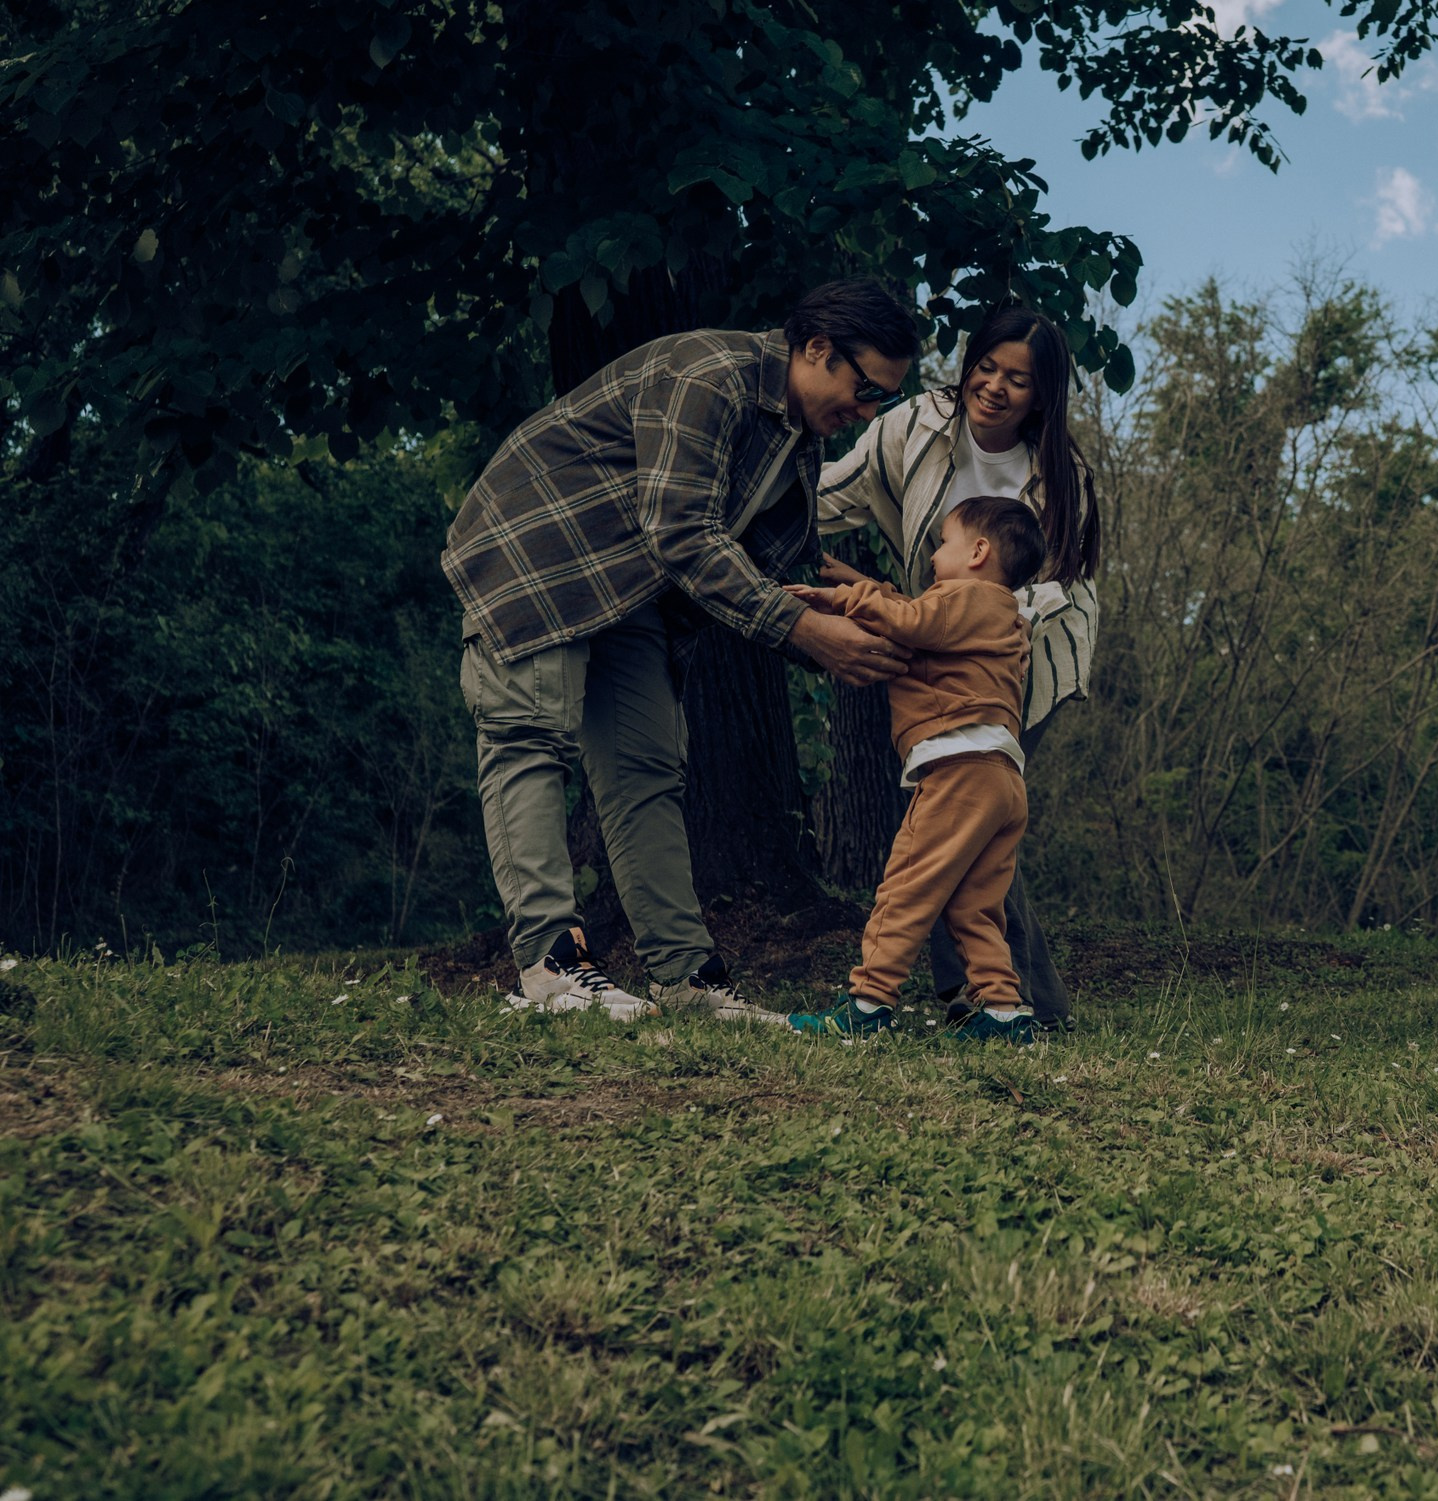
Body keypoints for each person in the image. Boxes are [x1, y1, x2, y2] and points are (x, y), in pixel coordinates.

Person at [442, 279, 921, 1021]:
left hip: (630, 584)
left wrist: (849, 623)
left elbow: (756, 578)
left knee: (646, 764)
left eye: (881, 401)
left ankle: (685, 979)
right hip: (537, 551)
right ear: (817, 348)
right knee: (529, 734)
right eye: (865, 390)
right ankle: (550, 969)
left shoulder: (792, 440)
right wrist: (806, 632)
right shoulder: (710, 376)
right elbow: (683, 532)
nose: (865, 414)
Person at [815, 306, 1100, 1030]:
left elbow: (1048, 593)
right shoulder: (916, 424)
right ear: (969, 363)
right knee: (973, 852)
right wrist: (771, 521)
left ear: (1044, 395)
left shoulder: (1063, 475)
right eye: (988, 367)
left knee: (946, 834)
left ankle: (892, 999)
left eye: (1020, 380)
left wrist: (932, 618)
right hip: (946, 638)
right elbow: (835, 491)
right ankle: (995, 1005)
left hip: (1026, 654)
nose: (996, 387)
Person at [784, 497, 1047, 1043]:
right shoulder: (1001, 615)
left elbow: (914, 619)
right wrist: (869, 588)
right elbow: (922, 616)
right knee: (977, 905)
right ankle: (1003, 1011)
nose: (933, 557)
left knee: (907, 885)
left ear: (978, 552)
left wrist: (846, 596)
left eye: (944, 543)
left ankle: (868, 1002)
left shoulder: (967, 597)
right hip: (1001, 779)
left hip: (958, 774)